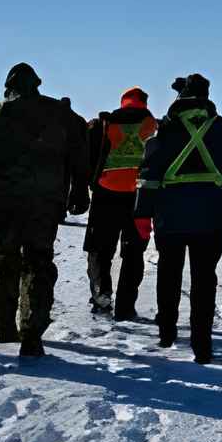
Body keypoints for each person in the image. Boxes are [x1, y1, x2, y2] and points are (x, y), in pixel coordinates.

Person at [0, 63, 89, 357]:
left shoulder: (1, 112)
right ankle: (32, 331)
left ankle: (4, 326)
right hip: (46, 200)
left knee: (5, 260)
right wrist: (80, 188)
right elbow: (80, 152)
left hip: (7, 201)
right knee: (38, 262)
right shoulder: (59, 114)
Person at [134, 73, 222, 364]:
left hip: (170, 215)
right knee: (204, 277)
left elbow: (148, 175)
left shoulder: (163, 130)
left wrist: (143, 213)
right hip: (210, 215)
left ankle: (167, 333)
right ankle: (202, 344)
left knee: (169, 272)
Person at [86, 87, 156, 321]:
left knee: (100, 248)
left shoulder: (105, 123)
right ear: (144, 103)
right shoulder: (152, 126)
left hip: (106, 193)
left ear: (123, 102)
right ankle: (126, 306)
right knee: (134, 252)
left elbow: (88, 156)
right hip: (140, 195)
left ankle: (101, 293)